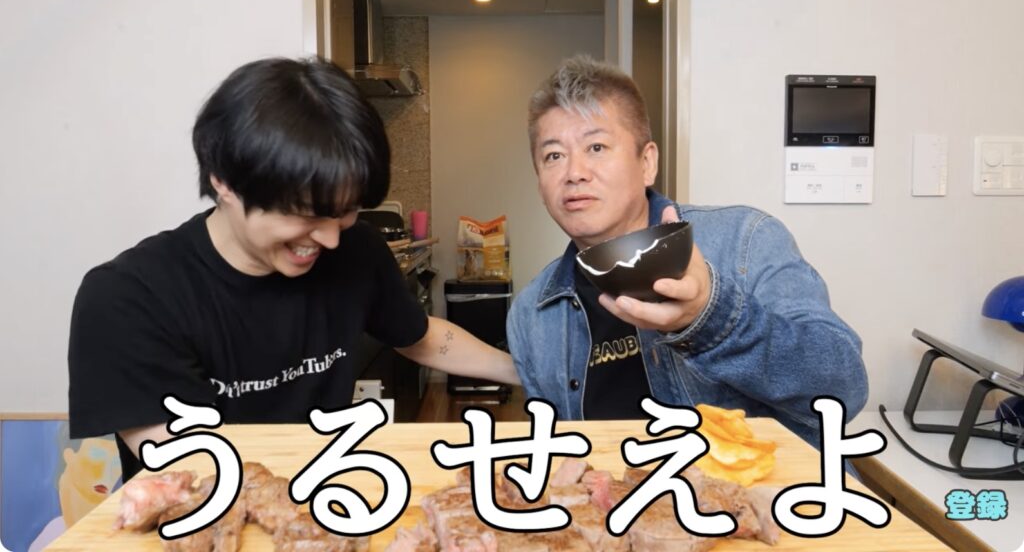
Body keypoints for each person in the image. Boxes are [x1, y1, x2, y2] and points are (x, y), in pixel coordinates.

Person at [68, 58, 519, 479]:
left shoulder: (356, 250)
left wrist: (530, 373)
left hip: (326, 501)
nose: (331, 239)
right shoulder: (128, 298)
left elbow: (420, 337)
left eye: (346, 211)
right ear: (224, 181)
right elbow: (188, 472)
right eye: (307, 214)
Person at [507, 55, 867, 446]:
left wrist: (711, 317)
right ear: (539, 181)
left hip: (760, 486)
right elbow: (562, 452)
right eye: (553, 156)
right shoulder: (532, 314)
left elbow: (844, 391)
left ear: (647, 163)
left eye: (596, 147)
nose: (574, 172)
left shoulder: (745, 241)